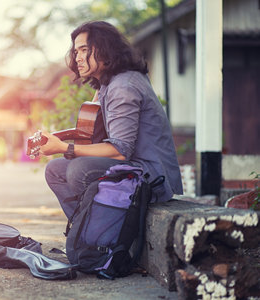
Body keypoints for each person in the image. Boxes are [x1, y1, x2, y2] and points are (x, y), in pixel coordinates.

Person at [40, 21, 183, 218]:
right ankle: (86, 233)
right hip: (133, 168)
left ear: (105, 49)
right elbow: (93, 131)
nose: (78, 58)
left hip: (150, 177)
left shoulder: (123, 87)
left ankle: (100, 238)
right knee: (55, 169)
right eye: (76, 52)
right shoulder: (109, 84)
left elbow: (120, 151)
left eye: (84, 50)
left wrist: (64, 148)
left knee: (79, 170)